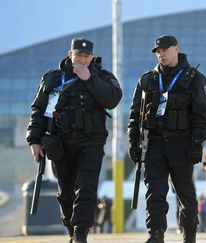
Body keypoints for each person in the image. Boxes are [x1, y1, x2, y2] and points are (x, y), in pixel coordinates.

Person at [26, 38, 122, 243]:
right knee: (67, 193)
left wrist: (90, 79)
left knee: (86, 188)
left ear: (92, 58)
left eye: (87, 56)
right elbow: (38, 110)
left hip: (92, 142)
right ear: (71, 55)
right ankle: (72, 230)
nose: (83, 59)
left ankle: (81, 233)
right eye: (79, 55)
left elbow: (112, 99)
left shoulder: (103, 77)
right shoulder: (53, 78)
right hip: (61, 143)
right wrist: (34, 140)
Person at [127, 35, 206, 243]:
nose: (161, 54)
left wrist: (196, 142)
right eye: (157, 51)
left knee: (185, 193)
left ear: (176, 48)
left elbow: (203, 115)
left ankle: (189, 234)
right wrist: (133, 141)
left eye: (165, 49)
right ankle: (156, 234)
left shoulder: (195, 78)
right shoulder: (147, 79)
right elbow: (135, 114)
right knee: (155, 190)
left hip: (182, 143)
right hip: (154, 143)